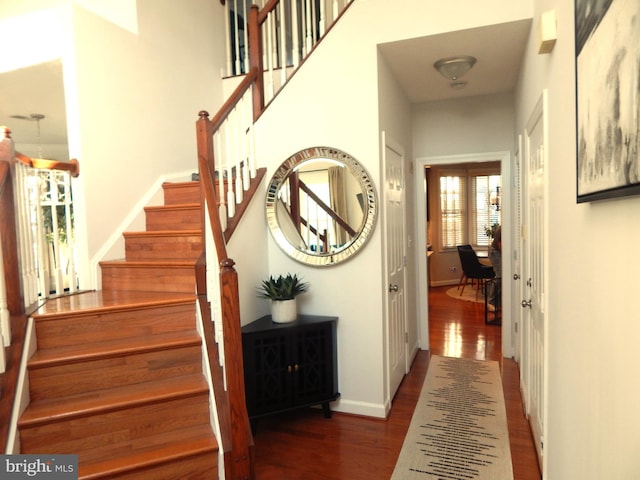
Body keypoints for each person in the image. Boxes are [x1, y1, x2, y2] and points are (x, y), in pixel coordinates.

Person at [488, 225, 501, 311]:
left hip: (498, 251)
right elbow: (501, 245)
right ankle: (491, 302)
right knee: (500, 276)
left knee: (502, 278)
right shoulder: (503, 229)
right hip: (495, 252)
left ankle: (498, 302)